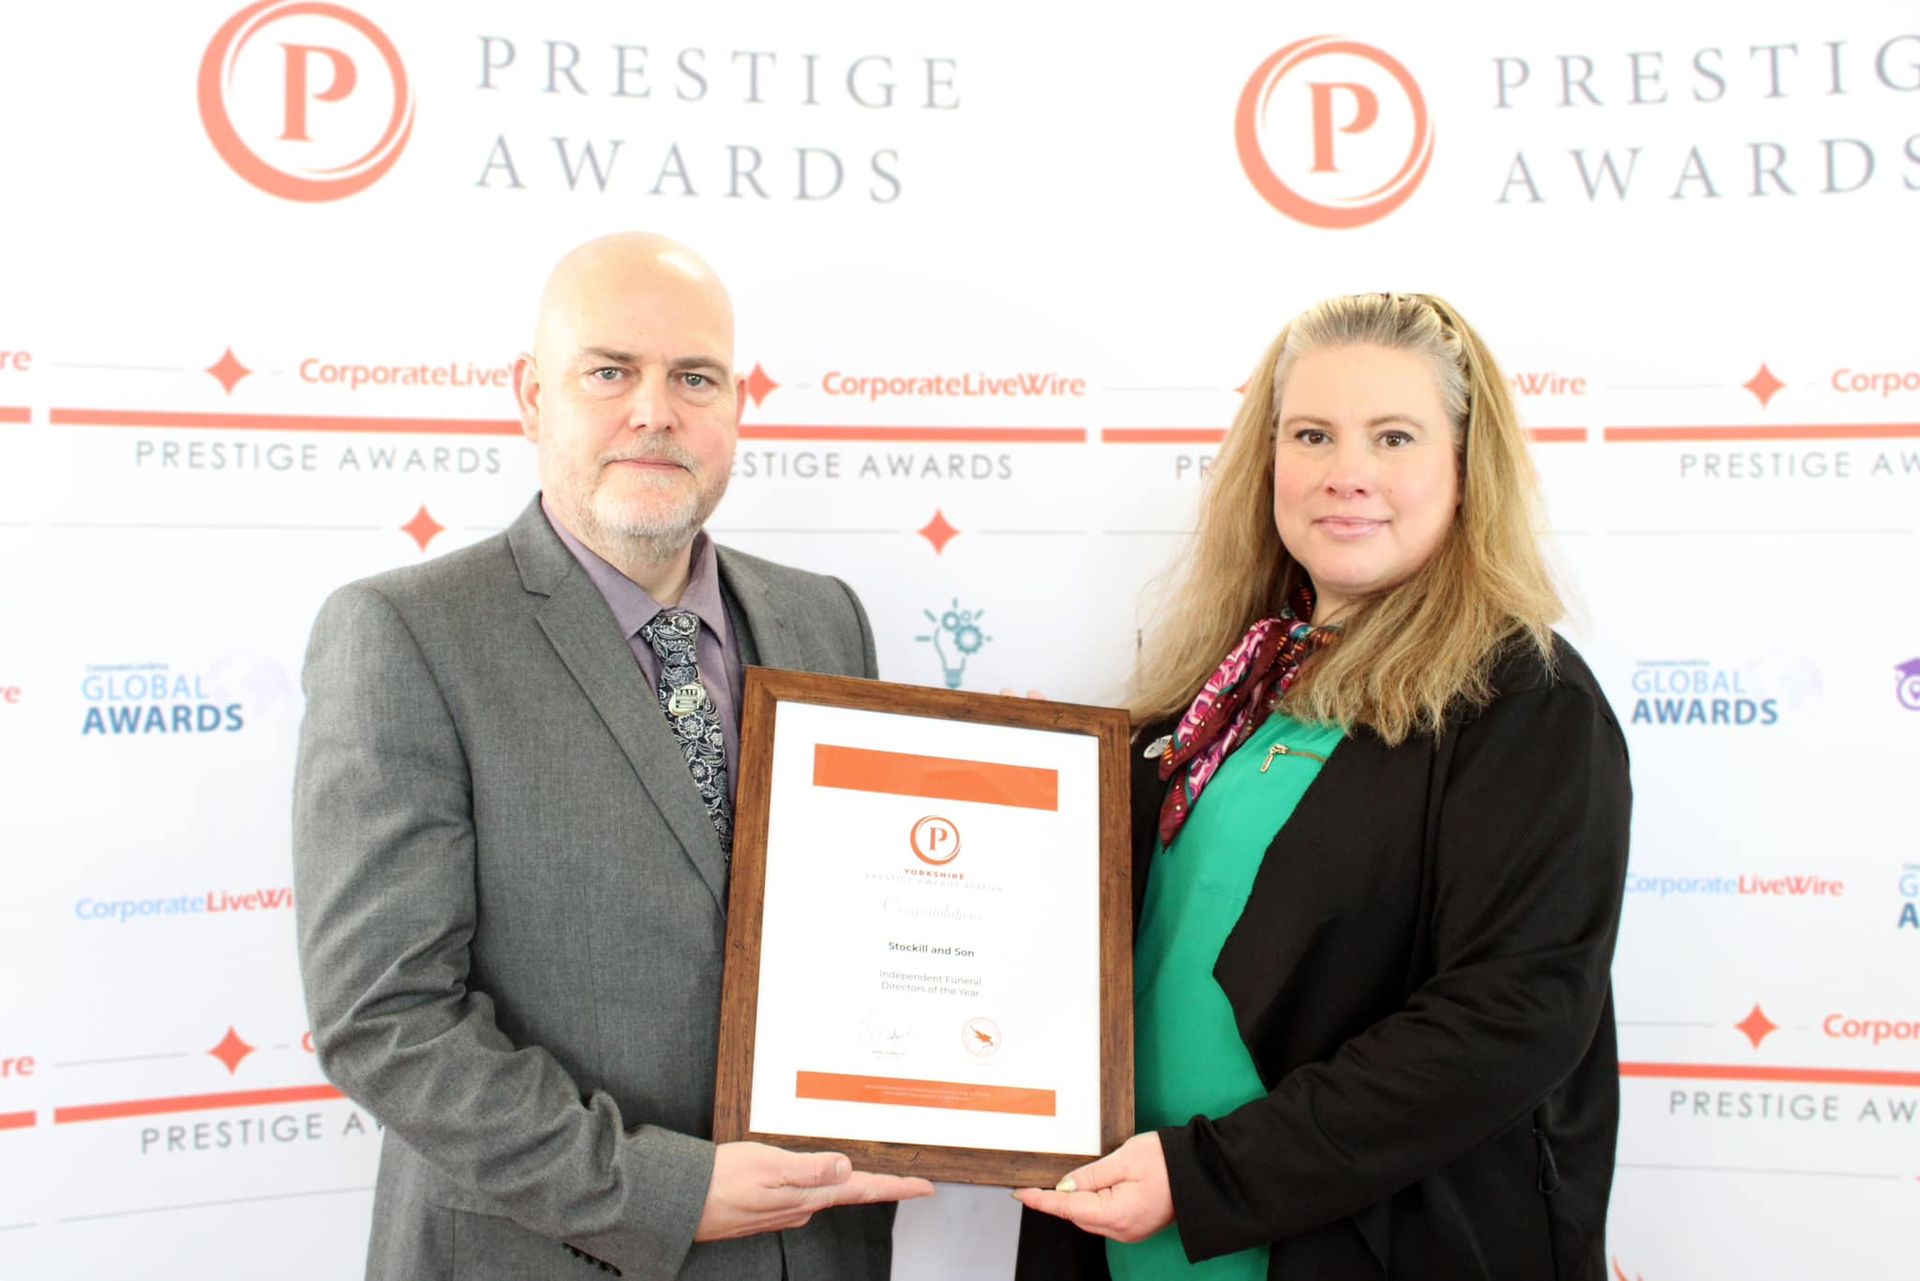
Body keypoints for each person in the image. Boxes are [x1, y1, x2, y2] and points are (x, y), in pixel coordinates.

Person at [292, 232, 933, 1281]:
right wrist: (659, 1191)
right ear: (530, 395)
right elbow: (386, 1018)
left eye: (694, 376)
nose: (654, 410)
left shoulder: (824, 620)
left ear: (735, 404)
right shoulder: (408, 634)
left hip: (816, 1249)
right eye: (609, 373)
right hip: (550, 1253)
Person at [1015, 292, 1631, 1279]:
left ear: (1467, 468)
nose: (1348, 475)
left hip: (1336, 1241)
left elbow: (1508, 1018)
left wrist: (1205, 1175)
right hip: (1131, 1238)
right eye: (1312, 434)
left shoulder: (1524, 699)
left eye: (1394, 437)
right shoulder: (1225, 682)